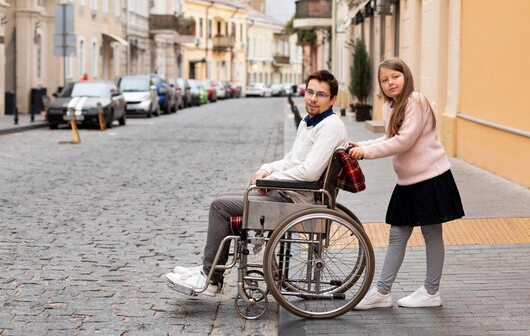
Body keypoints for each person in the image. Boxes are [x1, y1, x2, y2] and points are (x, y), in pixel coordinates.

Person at [166, 69, 347, 295]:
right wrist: (267, 169)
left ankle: (210, 278)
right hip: (289, 193)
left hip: (299, 200)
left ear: (332, 99)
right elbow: (292, 159)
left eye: (320, 94)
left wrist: (271, 180)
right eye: (310, 91)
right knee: (230, 199)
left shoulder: (329, 126)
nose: (312, 98)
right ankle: (209, 271)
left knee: (220, 206)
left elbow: (309, 172)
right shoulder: (309, 122)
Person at [349, 58, 464, 310]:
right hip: (408, 182)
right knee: (396, 235)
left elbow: (404, 142)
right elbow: (389, 137)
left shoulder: (416, 101)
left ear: (405, 75)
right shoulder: (391, 105)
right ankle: (382, 292)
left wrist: (366, 154)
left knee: (432, 234)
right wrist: (362, 145)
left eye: (395, 77)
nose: (390, 83)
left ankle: (431, 292)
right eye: (384, 79)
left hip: (430, 179)